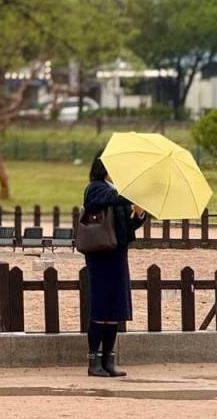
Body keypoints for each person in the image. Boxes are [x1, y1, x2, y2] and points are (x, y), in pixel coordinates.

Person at [83, 151, 146, 378]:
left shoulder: (115, 191)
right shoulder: (96, 188)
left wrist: (139, 215)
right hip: (101, 255)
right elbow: (99, 202)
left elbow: (126, 227)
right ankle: (93, 361)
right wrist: (130, 195)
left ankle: (108, 359)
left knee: (114, 310)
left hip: (117, 253)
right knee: (101, 308)